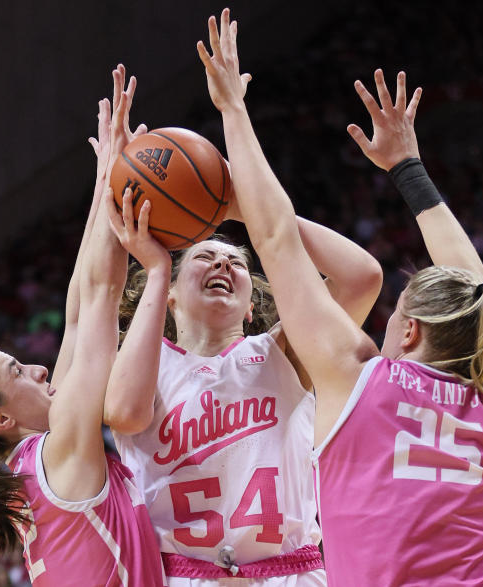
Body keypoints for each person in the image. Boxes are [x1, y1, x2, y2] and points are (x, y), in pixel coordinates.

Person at [198, 9, 483, 585]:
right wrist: (407, 169)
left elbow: (278, 239)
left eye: (395, 313)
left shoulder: (360, 382)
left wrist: (233, 109)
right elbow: (473, 291)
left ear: (409, 331)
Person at [103, 30, 382, 587]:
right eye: (205, 254)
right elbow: (120, 404)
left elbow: (360, 277)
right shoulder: (142, 364)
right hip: (182, 576)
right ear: (171, 292)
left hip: (292, 574)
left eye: (236, 260)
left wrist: (242, 209)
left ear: (254, 307)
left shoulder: (283, 354)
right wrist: (108, 188)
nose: (226, 263)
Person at [0, 66, 166, 587]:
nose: (37, 366)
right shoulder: (60, 455)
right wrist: (118, 179)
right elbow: (98, 297)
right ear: (0, 420)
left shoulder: (36, 469)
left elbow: (76, 313)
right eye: (17, 372)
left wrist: (103, 181)